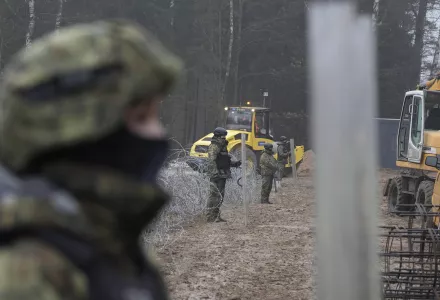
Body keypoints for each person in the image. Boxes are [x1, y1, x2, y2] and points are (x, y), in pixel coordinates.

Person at [0, 20, 182, 300]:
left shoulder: (110, 248)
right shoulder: (23, 276)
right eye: (140, 118)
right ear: (82, 135)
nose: (157, 134)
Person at [206, 127, 241, 222]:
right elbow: (211, 160)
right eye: (222, 137)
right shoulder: (214, 146)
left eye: (224, 137)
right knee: (214, 195)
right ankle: (210, 217)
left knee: (220, 196)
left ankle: (216, 215)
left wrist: (234, 163)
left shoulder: (222, 146)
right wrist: (215, 173)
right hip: (216, 175)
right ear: (217, 137)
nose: (224, 139)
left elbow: (223, 160)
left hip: (223, 174)